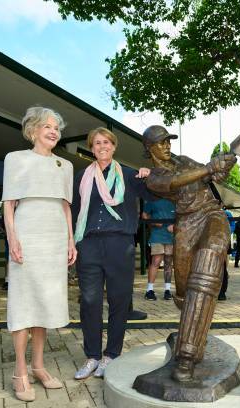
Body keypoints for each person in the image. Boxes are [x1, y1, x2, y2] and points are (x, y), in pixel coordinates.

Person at [143, 125, 235, 381]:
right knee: (184, 291)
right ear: (149, 148)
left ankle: (187, 355)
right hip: (186, 223)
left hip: (210, 213)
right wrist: (208, 168)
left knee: (208, 259)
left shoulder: (184, 161)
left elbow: (212, 178)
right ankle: (193, 329)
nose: (167, 145)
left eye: (168, 141)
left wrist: (221, 167)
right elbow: (174, 182)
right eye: (160, 143)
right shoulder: (153, 177)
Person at [2, 106, 75, 402]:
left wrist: (71, 240)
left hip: (55, 237)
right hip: (27, 233)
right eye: (47, 125)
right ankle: (20, 371)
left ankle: (38, 365)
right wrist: (13, 239)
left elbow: (66, 205)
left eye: (56, 126)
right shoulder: (16, 159)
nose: (53, 130)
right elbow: (8, 203)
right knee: (23, 302)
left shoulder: (65, 166)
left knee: (44, 302)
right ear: (33, 130)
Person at [72, 127, 152, 380]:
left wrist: (149, 176)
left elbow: (156, 193)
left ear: (114, 146)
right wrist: (73, 242)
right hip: (89, 244)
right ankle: (92, 356)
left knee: (119, 301)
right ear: (91, 148)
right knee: (89, 301)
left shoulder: (130, 176)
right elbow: (74, 210)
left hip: (120, 243)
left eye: (106, 142)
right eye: (97, 143)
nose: (102, 146)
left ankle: (111, 355)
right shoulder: (81, 176)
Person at [142, 198, 175, 301]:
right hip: (157, 236)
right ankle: (149, 290)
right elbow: (144, 215)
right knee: (156, 261)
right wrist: (154, 223)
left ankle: (168, 290)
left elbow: (182, 217)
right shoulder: (153, 199)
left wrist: (175, 225)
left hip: (171, 237)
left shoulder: (175, 200)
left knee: (168, 263)